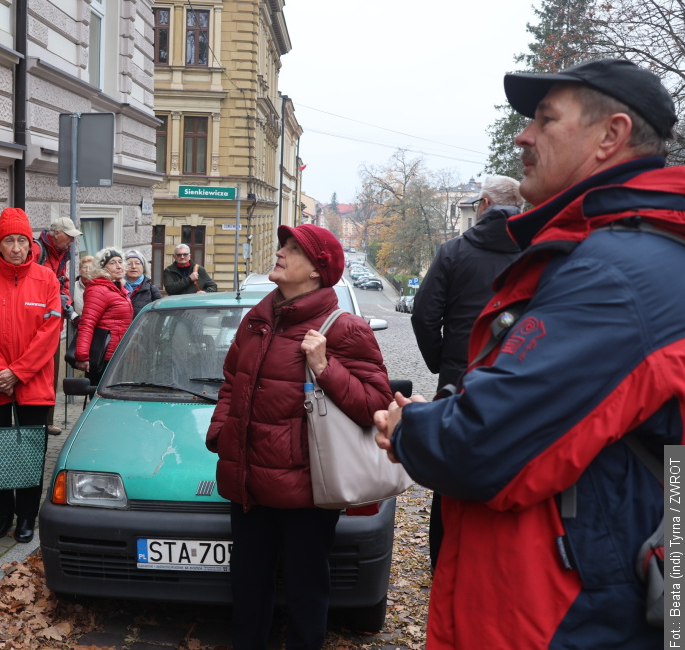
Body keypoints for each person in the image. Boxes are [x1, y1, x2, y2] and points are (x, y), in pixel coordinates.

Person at [374, 58, 681, 649]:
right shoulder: (622, 250)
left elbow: (481, 444)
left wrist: (410, 427)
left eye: (545, 118)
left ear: (611, 135)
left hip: (573, 619)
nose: (523, 136)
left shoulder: (616, 274)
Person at [206, 224, 391, 649]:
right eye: (282, 246)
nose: (280, 253)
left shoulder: (344, 328)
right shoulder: (257, 320)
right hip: (248, 483)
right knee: (248, 587)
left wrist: (325, 367)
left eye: (293, 249)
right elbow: (232, 381)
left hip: (307, 491)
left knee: (306, 590)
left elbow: (376, 405)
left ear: (316, 271)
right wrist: (221, 433)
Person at [409, 174, 523, 569]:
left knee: (450, 465)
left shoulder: (454, 251)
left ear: (485, 205)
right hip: (517, 377)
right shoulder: (535, 250)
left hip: (459, 378)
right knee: (511, 464)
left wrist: (443, 361)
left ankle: (443, 561)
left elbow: (424, 316)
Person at [0, 207, 61, 543]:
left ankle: (27, 516)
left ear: (31, 244)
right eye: (9, 241)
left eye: (22, 240)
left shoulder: (46, 279)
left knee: (30, 452)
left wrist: (18, 372)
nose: (16, 247)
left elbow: (50, 331)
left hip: (32, 380)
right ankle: (2, 514)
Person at [32, 217, 82, 435]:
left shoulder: (61, 253)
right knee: (35, 373)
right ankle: (33, 421)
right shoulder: (37, 250)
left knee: (50, 375)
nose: (72, 241)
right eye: (69, 236)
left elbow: (63, 282)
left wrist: (67, 303)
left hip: (54, 323)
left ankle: (47, 421)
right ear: (57, 234)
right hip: (34, 322)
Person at [74, 248, 134, 386]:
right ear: (102, 268)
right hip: (104, 358)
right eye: (112, 263)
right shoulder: (99, 289)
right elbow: (87, 323)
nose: (119, 266)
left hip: (118, 355)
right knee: (102, 395)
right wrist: (82, 356)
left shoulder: (117, 288)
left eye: (120, 262)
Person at [123, 249, 162, 316]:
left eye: (137, 263)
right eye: (129, 264)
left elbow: (160, 312)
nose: (134, 267)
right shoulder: (116, 287)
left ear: (143, 267)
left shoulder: (151, 289)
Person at [71, 254, 95, 319]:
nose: (87, 270)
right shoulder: (73, 286)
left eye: (91, 268)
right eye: (84, 267)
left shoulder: (100, 286)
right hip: (78, 322)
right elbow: (68, 307)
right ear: (80, 270)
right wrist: (75, 318)